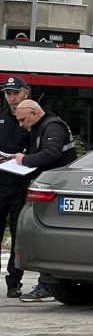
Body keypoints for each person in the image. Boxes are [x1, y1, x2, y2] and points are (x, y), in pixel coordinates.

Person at [11, 99, 77, 302]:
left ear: (34, 113)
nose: (21, 125)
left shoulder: (52, 127)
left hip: (57, 189)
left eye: (23, 120)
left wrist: (25, 160)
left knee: (48, 237)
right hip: (55, 188)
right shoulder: (44, 126)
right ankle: (48, 283)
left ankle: (47, 284)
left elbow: (51, 153)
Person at [0, 77, 32, 299]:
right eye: (8, 93)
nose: (11, 97)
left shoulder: (30, 120)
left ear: (26, 93)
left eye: (15, 93)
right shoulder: (0, 118)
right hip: (0, 184)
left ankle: (14, 282)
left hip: (20, 185)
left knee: (19, 236)